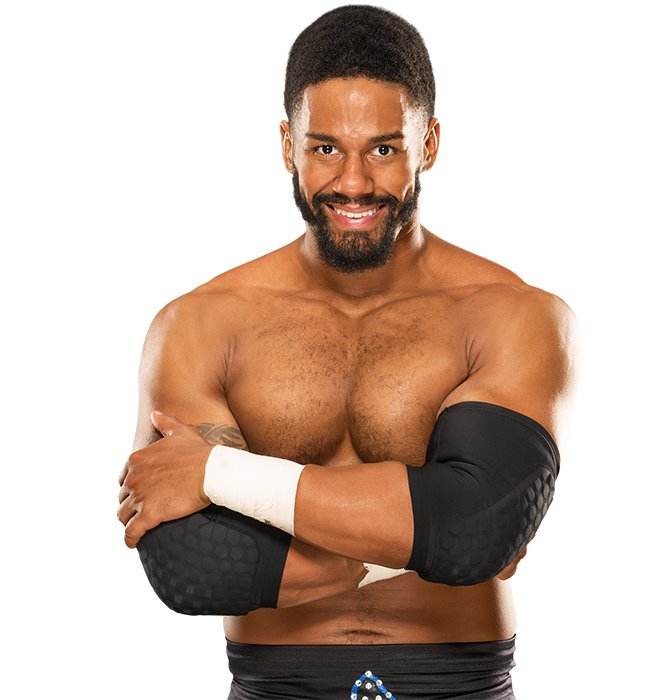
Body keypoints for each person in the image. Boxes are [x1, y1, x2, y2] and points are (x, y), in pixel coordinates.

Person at [117, 5, 577, 699]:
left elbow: (473, 529)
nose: (354, 183)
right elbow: (193, 566)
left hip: (454, 681)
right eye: (325, 149)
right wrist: (439, 533)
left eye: (384, 150)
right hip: (276, 684)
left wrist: (218, 474)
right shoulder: (201, 325)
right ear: (287, 145)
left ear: (429, 143)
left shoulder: (510, 315)